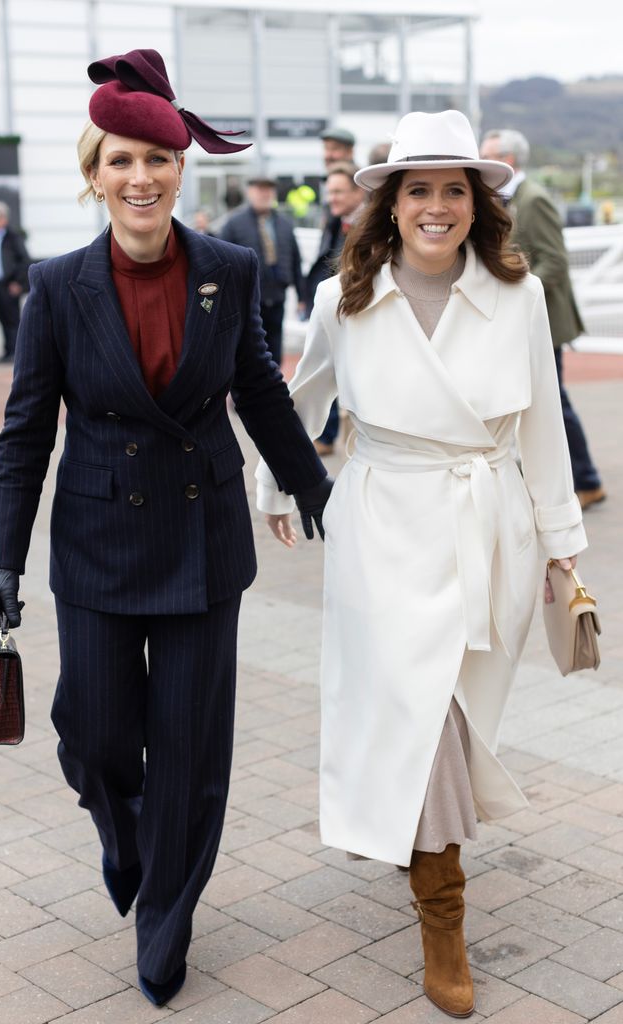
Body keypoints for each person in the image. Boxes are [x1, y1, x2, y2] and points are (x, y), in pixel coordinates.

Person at [0, 47, 331, 1009]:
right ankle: (126, 835)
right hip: (94, 545)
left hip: (203, 539)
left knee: (189, 749)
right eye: (120, 161)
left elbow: (258, 389)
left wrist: (312, 486)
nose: (141, 177)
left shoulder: (227, 267)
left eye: (158, 160)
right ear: (94, 176)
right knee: (93, 738)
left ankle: (165, 924)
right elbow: (23, 436)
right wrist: (0, 559)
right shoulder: (56, 287)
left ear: (183, 168)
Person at [256, 110, 587, 1018]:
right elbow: (300, 397)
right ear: (389, 206)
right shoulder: (343, 299)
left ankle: (410, 825)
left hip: (489, 526)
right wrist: (278, 488)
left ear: (476, 204)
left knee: (448, 707)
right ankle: (444, 920)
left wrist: (564, 550)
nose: (436, 207)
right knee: (421, 706)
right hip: (383, 527)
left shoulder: (516, 296)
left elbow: (544, 429)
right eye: (419, 190)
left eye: (453, 190)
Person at [480, 129, 606, 510]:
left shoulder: (533, 199)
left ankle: (587, 481)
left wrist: (514, 291)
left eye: (488, 157)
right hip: (526, 321)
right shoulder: (509, 198)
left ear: (509, 159)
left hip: (545, 320)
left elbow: (555, 260)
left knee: (555, 403)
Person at [305, 162, 365, 454]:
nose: (332, 199)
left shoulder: (371, 225)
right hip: (333, 309)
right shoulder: (335, 218)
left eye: (339, 192)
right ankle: (326, 436)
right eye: (330, 193)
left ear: (359, 191)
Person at [220, 176, 306, 368]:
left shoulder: (284, 223)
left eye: (268, 190)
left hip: (277, 294)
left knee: (274, 346)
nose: (264, 194)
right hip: (247, 297)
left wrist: (302, 296)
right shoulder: (234, 224)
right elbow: (221, 261)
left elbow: (295, 260)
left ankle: (273, 388)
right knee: (248, 347)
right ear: (250, 192)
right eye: (259, 189)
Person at [0, 201, 32, 362]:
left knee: (12, 320)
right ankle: (7, 351)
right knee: (2, 318)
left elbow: (24, 261)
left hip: (9, 284)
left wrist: (18, 282)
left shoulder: (12, 237)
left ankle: (17, 353)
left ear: (2, 219)